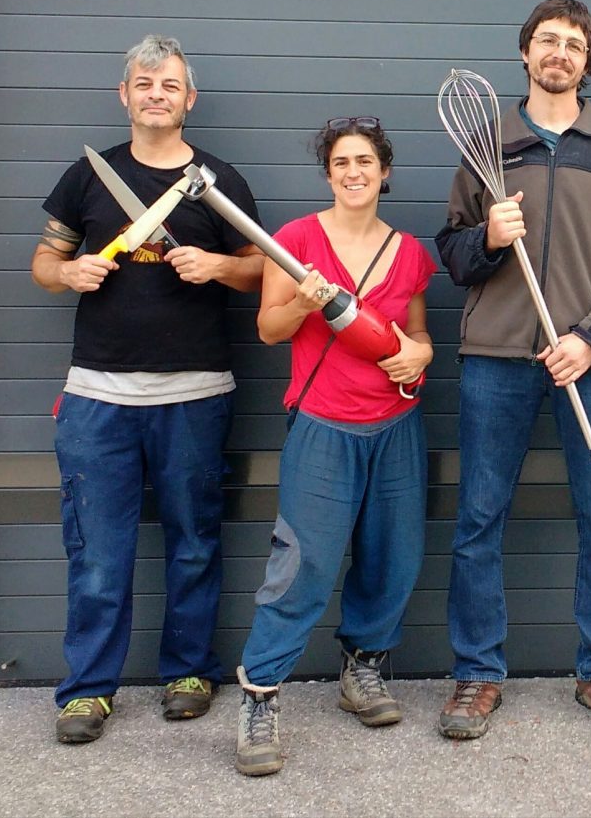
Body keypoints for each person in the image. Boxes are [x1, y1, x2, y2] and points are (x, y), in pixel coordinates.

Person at [435, 0, 591, 738]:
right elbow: (454, 253)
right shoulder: (485, 142)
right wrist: (490, 239)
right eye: (546, 41)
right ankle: (476, 673)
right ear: (524, 54)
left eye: (572, 43)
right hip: (497, 357)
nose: (559, 52)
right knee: (478, 518)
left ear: (587, 61)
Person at [31, 34, 264, 743]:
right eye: (144, 83)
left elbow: (263, 267)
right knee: (98, 549)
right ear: (124, 95)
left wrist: (217, 267)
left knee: (195, 540)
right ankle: (88, 690)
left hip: (195, 392)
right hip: (97, 395)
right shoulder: (88, 175)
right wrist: (66, 274)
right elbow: (45, 256)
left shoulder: (220, 178)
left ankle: (190, 671)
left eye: (169, 84)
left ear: (189, 99)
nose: (156, 93)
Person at [233, 117, 436, 776]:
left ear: (385, 172)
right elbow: (269, 328)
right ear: (329, 173)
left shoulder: (407, 249)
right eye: (342, 162)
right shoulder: (293, 241)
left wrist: (417, 354)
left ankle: (364, 668)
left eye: (365, 161)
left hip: (396, 425)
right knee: (304, 562)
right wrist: (303, 300)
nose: (354, 171)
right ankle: (261, 695)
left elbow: (418, 335)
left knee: (393, 557)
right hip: (324, 424)